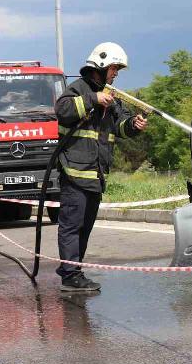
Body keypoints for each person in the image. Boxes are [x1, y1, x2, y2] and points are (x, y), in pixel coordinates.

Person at [54, 42, 148, 291]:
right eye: (115, 68)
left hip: (95, 174)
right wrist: (92, 99)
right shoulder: (78, 89)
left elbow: (118, 127)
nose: (116, 73)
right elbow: (62, 110)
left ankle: (74, 270)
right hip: (74, 173)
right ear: (103, 65)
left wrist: (133, 126)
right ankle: (70, 275)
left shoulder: (110, 97)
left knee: (84, 227)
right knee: (72, 226)